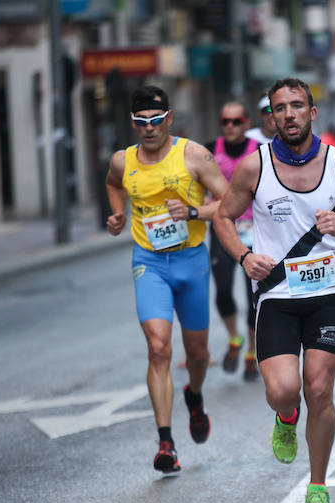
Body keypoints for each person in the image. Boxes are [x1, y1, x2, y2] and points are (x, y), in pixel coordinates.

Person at [214, 78, 335, 503]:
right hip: (277, 293)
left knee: (319, 388)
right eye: (280, 108)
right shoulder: (254, 167)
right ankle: (286, 417)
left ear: (312, 113)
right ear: (271, 116)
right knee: (284, 389)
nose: (289, 114)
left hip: (329, 290)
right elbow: (224, 218)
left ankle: (318, 486)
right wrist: (244, 257)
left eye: (297, 106)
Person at [105, 85, 231, 475]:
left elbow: (231, 203)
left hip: (192, 262)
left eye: (155, 121)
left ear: (169, 119)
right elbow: (113, 184)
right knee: (158, 348)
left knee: (197, 354)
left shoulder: (193, 156)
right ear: (133, 123)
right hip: (150, 264)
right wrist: (118, 215)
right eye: (141, 122)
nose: (148, 129)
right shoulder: (122, 162)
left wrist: (193, 211)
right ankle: (166, 443)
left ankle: (194, 395)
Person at [204, 101, 262, 380]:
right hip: (222, 229)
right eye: (225, 121)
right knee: (223, 290)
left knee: (254, 294)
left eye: (236, 121)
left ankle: (251, 351)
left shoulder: (259, 151)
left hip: (254, 229)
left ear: (246, 122)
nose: (230, 126)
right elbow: (194, 180)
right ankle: (234, 339)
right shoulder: (209, 151)